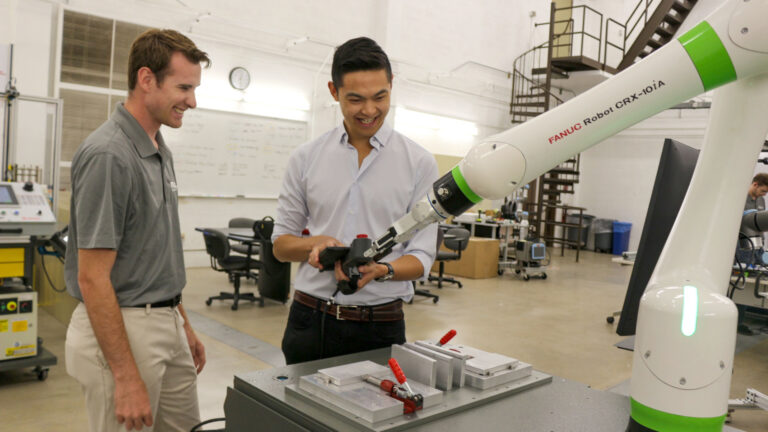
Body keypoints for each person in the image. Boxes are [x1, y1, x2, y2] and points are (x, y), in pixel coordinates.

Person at [64, 29, 209, 432]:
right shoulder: (110, 155)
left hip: (166, 320)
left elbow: (156, 251)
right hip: (124, 326)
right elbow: (92, 277)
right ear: (147, 80)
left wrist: (182, 324)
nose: (192, 101)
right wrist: (126, 378)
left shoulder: (160, 150)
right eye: (184, 87)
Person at [272, 37, 439, 365]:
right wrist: (314, 244)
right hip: (309, 320)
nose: (369, 110)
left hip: (380, 326)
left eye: (380, 96)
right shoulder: (306, 158)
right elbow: (280, 245)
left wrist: (381, 270)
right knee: (300, 416)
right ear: (334, 92)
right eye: (355, 99)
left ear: (392, 85)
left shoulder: (419, 163)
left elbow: (421, 256)